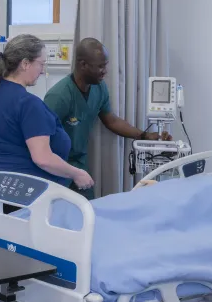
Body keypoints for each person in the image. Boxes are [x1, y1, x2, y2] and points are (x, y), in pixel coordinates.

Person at [0, 34, 92, 302]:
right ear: (26, 63)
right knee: (35, 256)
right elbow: (42, 157)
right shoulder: (27, 103)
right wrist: (77, 173)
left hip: (0, 189)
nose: (43, 70)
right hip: (30, 193)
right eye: (42, 63)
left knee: (11, 256)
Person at [43, 38, 169, 199]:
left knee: (87, 210)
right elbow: (41, 140)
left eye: (106, 65)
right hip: (57, 167)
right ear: (83, 65)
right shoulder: (58, 96)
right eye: (101, 66)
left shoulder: (99, 88)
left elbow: (111, 120)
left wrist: (145, 135)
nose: (105, 71)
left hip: (79, 164)